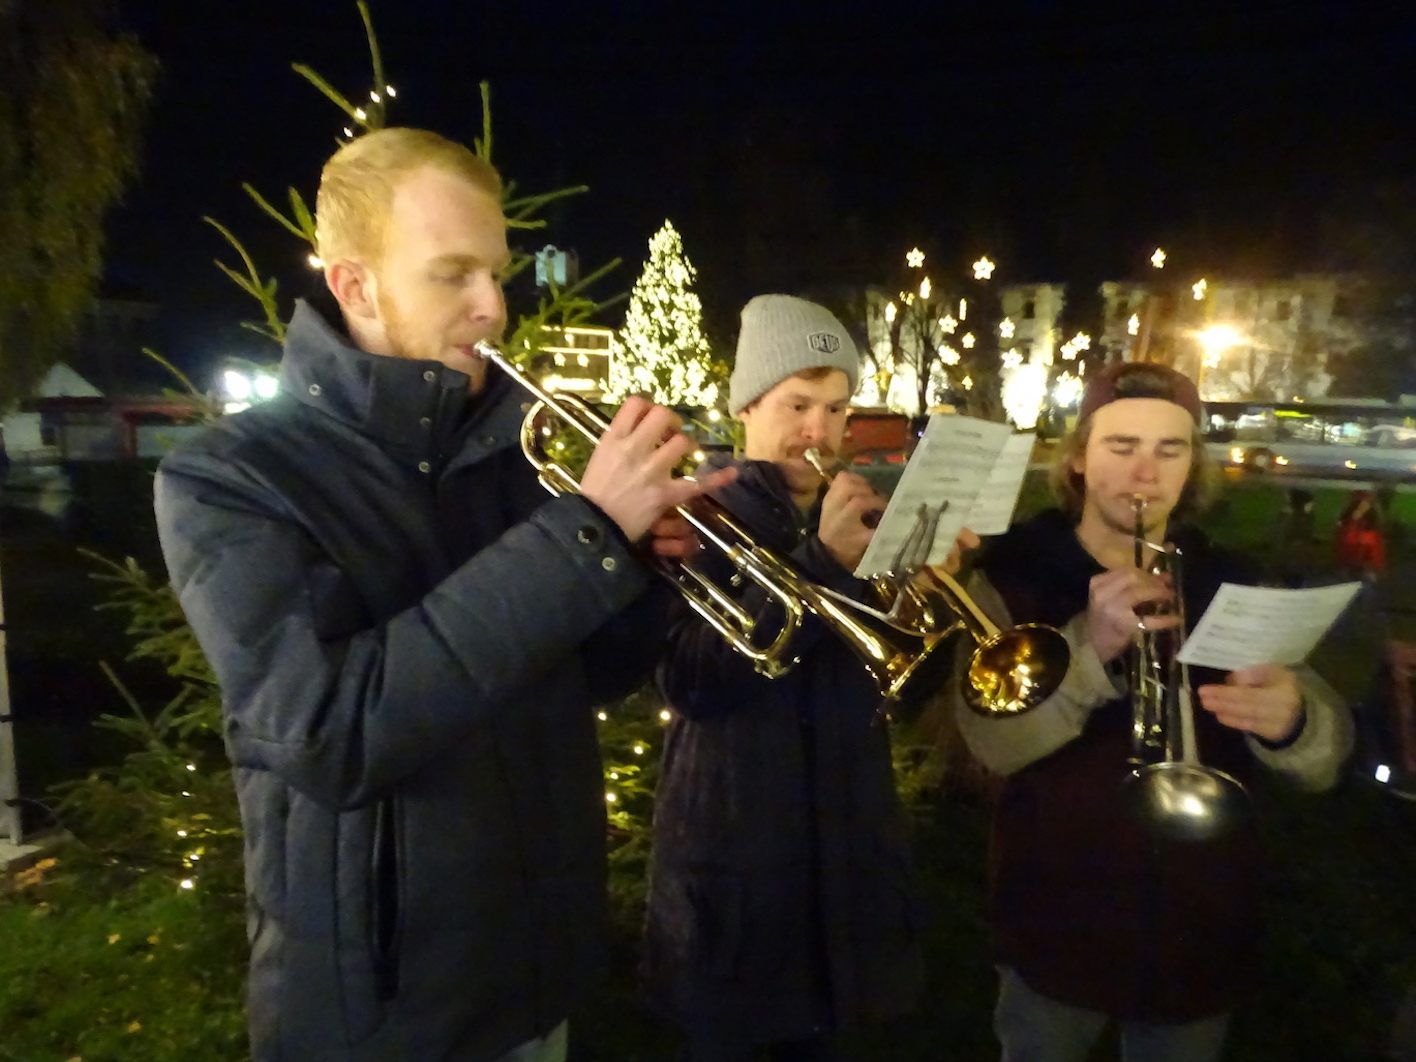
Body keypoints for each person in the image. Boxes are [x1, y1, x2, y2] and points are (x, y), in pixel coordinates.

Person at [154, 127, 732, 1062]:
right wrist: (582, 538)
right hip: (380, 1017)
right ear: (355, 285)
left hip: (535, 980)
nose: (492, 307)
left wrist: (642, 572)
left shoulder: (515, 455)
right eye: (452, 274)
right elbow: (328, 734)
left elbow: (569, 683)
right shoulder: (228, 479)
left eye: (499, 274)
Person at [947, 362, 1354, 1062]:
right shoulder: (1014, 576)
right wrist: (1087, 650)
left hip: (1198, 923)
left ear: (1193, 465)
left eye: (1170, 450)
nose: (1145, 473)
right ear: (1077, 459)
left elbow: (1325, 758)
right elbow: (988, 743)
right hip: (1056, 916)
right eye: (1120, 446)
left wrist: (1296, 723)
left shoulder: (1233, 577)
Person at [641, 294, 972, 1061]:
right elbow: (688, 683)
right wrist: (819, 566)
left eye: (835, 407)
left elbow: (902, 693)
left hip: (840, 856)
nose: (818, 431)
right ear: (748, 406)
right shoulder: (694, 517)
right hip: (735, 860)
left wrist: (917, 604)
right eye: (796, 403)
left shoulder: (855, 515)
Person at [1335, 488, 1387, 580]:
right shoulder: (1349, 523)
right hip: (1354, 541)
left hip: (1362, 541)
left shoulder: (1370, 527)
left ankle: (1364, 573)